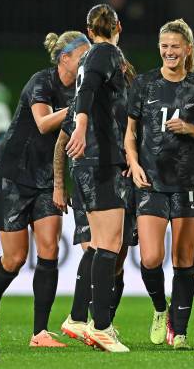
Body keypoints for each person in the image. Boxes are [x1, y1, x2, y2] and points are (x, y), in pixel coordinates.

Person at [0, 30, 90, 348]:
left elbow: (65, 143)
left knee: (50, 249)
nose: (86, 64)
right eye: (83, 57)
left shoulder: (82, 89)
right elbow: (43, 124)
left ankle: (39, 333)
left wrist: (59, 185)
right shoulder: (41, 82)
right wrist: (78, 109)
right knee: (14, 258)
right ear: (64, 58)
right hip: (12, 175)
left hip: (46, 179)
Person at [125, 18, 194, 350]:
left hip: (189, 181)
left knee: (183, 260)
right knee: (150, 258)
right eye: (164, 46)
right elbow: (130, 132)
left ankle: (179, 332)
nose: (169, 52)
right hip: (150, 180)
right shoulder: (144, 84)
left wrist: (191, 129)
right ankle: (160, 309)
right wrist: (133, 163)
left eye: (175, 46)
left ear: (187, 49)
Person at [55, 54, 137, 346]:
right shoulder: (91, 99)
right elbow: (63, 140)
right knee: (104, 247)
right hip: (98, 172)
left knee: (103, 249)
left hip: (107, 173)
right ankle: (98, 324)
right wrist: (58, 186)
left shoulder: (115, 100)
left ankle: (80, 319)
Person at [65, 4, 130, 353]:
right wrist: (82, 125)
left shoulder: (91, 55)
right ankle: (101, 327)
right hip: (98, 159)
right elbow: (87, 91)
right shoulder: (105, 53)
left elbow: (88, 90)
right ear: (118, 26)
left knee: (100, 243)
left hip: (92, 160)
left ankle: (78, 317)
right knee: (109, 243)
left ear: (89, 30)